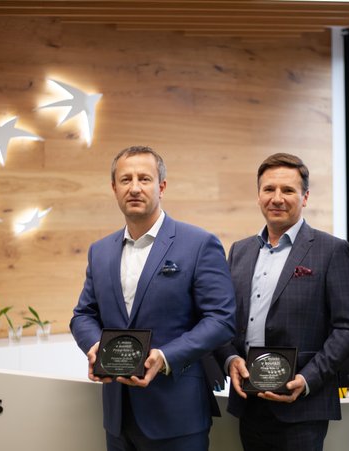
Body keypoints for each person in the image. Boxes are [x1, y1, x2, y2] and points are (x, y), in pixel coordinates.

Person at [70, 145, 236, 451]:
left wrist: (166, 357)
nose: (134, 188)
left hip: (177, 415)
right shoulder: (100, 251)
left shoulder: (199, 243)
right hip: (118, 417)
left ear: (161, 186)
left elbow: (221, 320)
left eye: (144, 179)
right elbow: (84, 314)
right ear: (114, 188)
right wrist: (94, 346)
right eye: (126, 179)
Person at [215, 153, 349, 451]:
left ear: (305, 197)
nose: (277, 198)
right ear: (258, 196)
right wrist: (230, 359)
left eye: (288, 190)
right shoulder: (239, 251)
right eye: (269, 189)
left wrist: (307, 379)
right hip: (249, 402)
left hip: (302, 406)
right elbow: (223, 321)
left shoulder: (331, 250)